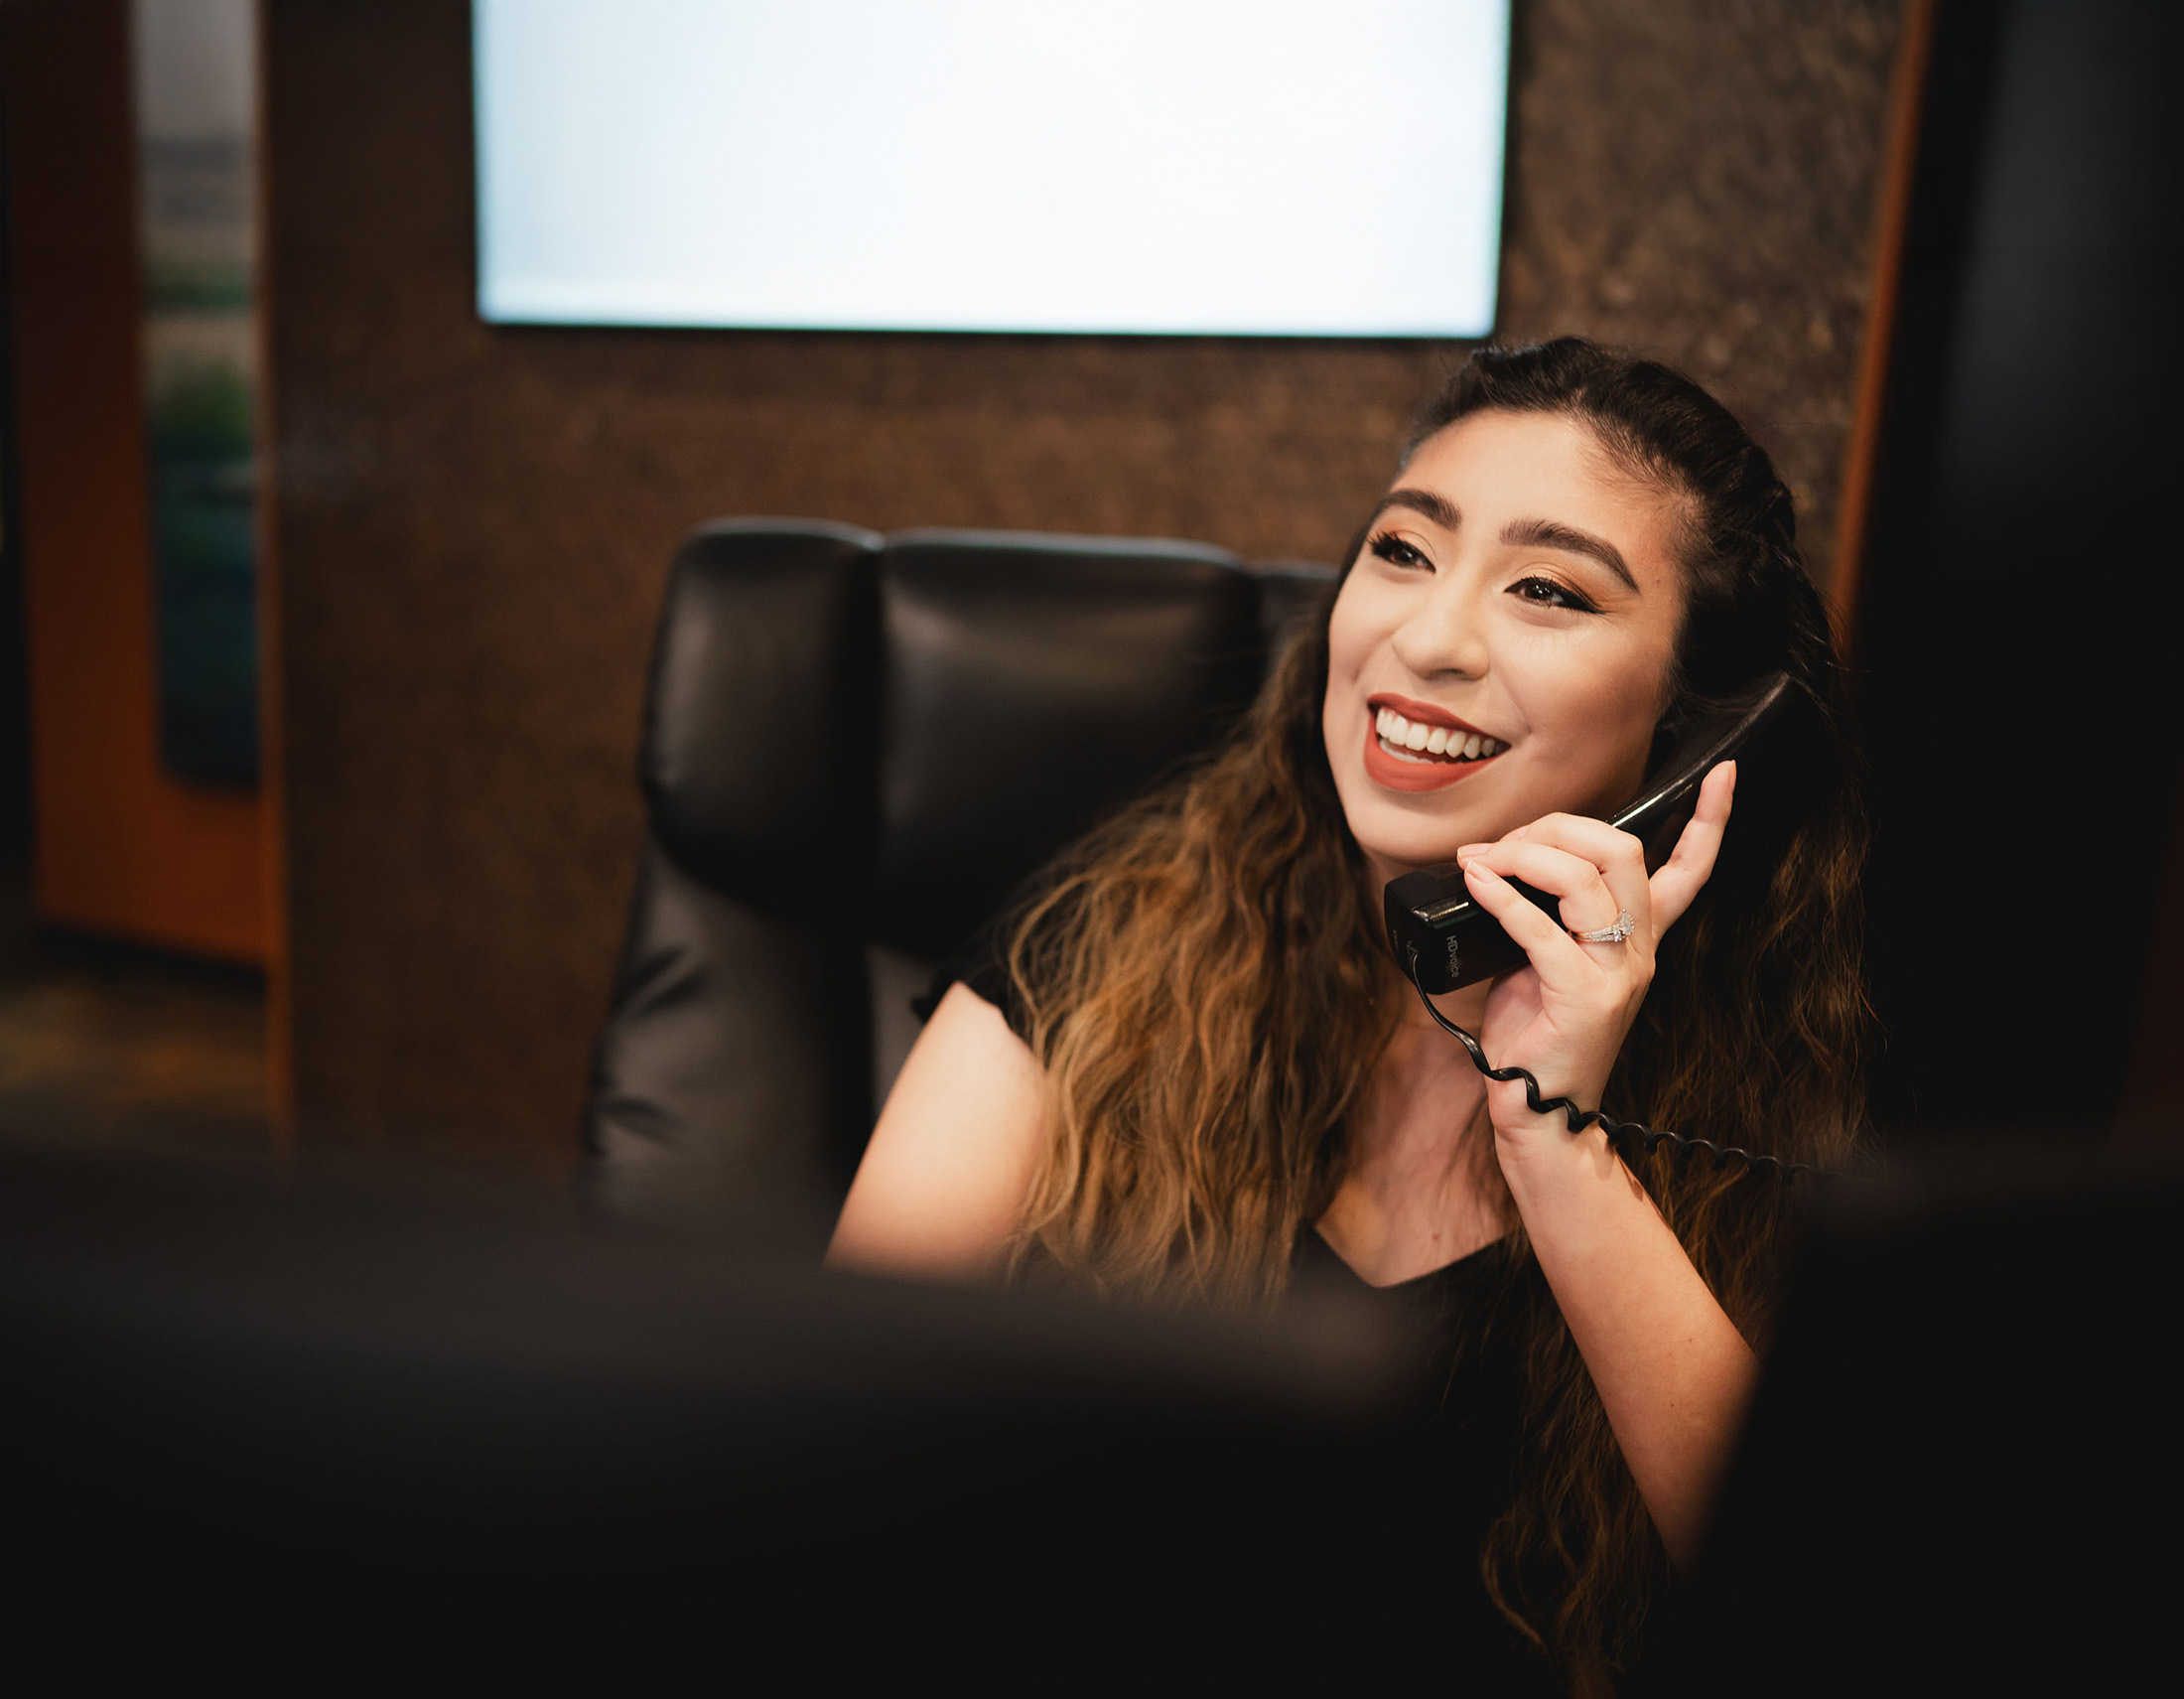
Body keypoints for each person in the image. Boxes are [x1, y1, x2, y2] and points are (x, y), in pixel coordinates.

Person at [828, 339, 1867, 1691]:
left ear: (1697, 732)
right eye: (1403, 550)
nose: (1427, 639)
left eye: (1547, 589)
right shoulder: (1099, 959)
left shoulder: (1776, 1104)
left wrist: (1558, 1140)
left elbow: (1823, 1622)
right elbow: (819, 1458)